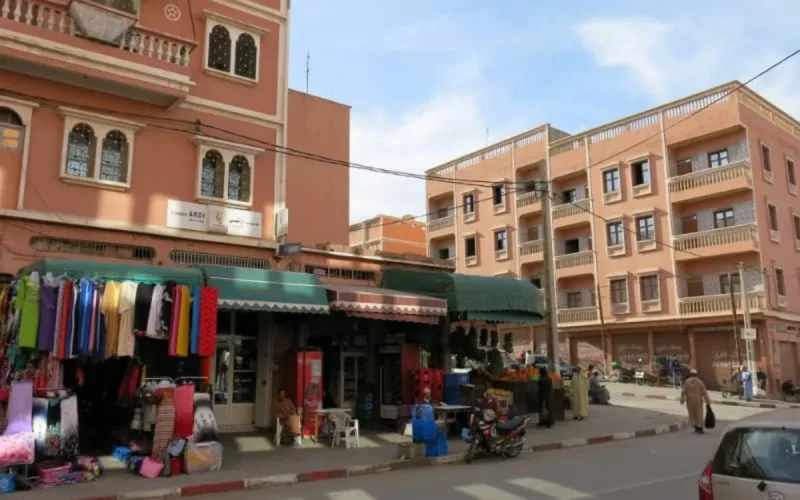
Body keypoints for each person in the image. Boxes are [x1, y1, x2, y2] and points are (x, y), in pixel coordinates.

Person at [680, 369, 711, 434]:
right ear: (696, 375)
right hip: (698, 401)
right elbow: (704, 392)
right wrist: (708, 401)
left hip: (689, 401)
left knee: (692, 414)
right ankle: (699, 427)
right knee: (699, 414)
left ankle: (695, 426)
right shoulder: (700, 382)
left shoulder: (687, 382)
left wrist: (682, 400)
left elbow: (683, 392)